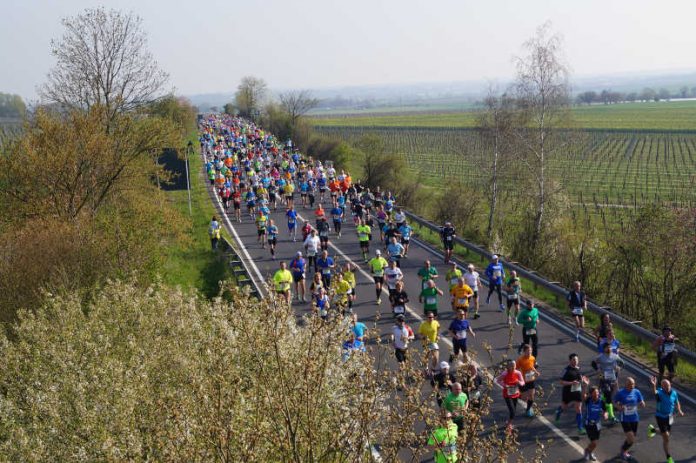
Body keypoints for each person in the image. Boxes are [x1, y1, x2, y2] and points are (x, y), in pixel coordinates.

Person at [647, 376, 684, 463]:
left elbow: (677, 402)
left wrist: (679, 410)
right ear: (662, 387)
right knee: (666, 438)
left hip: (670, 416)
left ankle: (653, 430)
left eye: (668, 385)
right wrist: (654, 385)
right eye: (665, 386)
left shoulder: (674, 393)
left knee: (667, 434)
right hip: (660, 416)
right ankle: (669, 457)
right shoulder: (660, 392)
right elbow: (655, 393)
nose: (667, 387)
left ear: (670, 385)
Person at [555, 353, 588, 435]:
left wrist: (584, 381)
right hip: (568, 392)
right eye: (573, 360)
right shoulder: (566, 370)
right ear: (570, 361)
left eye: (577, 359)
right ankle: (559, 411)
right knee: (564, 407)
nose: (575, 361)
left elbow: (580, 379)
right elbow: (561, 381)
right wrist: (571, 383)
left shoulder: (579, 369)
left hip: (577, 391)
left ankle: (580, 428)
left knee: (579, 409)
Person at [591, 341, 624, 425]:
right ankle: (611, 416)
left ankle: (602, 403)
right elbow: (593, 363)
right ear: (604, 349)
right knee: (608, 393)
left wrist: (619, 368)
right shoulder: (601, 356)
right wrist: (598, 370)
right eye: (607, 348)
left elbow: (622, 363)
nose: (608, 349)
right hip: (603, 378)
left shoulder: (614, 356)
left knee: (608, 395)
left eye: (610, 347)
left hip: (612, 378)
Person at [614, 377, 646, 461]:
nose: (632, 386)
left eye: (633, 384)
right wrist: (618, 407)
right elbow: (615, 402)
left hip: (635, 418)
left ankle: (623, 449)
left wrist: (642, 403)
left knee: (631, 439)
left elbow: (641, 401)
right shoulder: (621, 393)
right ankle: (623, 451)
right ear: (626, 384)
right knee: (631, 438)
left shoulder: (637, 392)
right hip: (625, 418)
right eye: (630, 384)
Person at [495, 360, 525, 429]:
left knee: (514, 409)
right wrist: (505, 385)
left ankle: (508, 423)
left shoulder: (518, 373)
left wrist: (519, 383)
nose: (513, 367)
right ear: (508, 366)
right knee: (512, 410)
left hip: (515, 393)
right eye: (511, 365)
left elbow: (522, 382)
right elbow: (498, 380)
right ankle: (509, 425)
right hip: (507, 394)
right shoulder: (505, 373)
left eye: (514, 365)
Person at [582, 385, 608, 462]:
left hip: (597, 424)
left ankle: (590, 452)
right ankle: (587, 451)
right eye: (594, 393)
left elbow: (605, 410)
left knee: (595, 442)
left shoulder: (601, 401)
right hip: (588, 424)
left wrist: (605, 415)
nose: (597, 394)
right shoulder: (588, 400)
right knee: (594, 442)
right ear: (591, 394)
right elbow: (583, 396)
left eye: (597, 392)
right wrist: (585, 386)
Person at [516, 344, 541, 417]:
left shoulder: (532, 358)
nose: (529, 352)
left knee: (531, 396)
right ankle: (518, 396)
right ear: (524, 351)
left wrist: (536, 372)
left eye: (530, 350)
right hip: (523, 381)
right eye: (528, 351)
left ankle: (528, 410)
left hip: (531, 379)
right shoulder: (520, 359)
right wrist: (518, 377)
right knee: (524, 398)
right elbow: (516, 369)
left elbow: (532, 366)